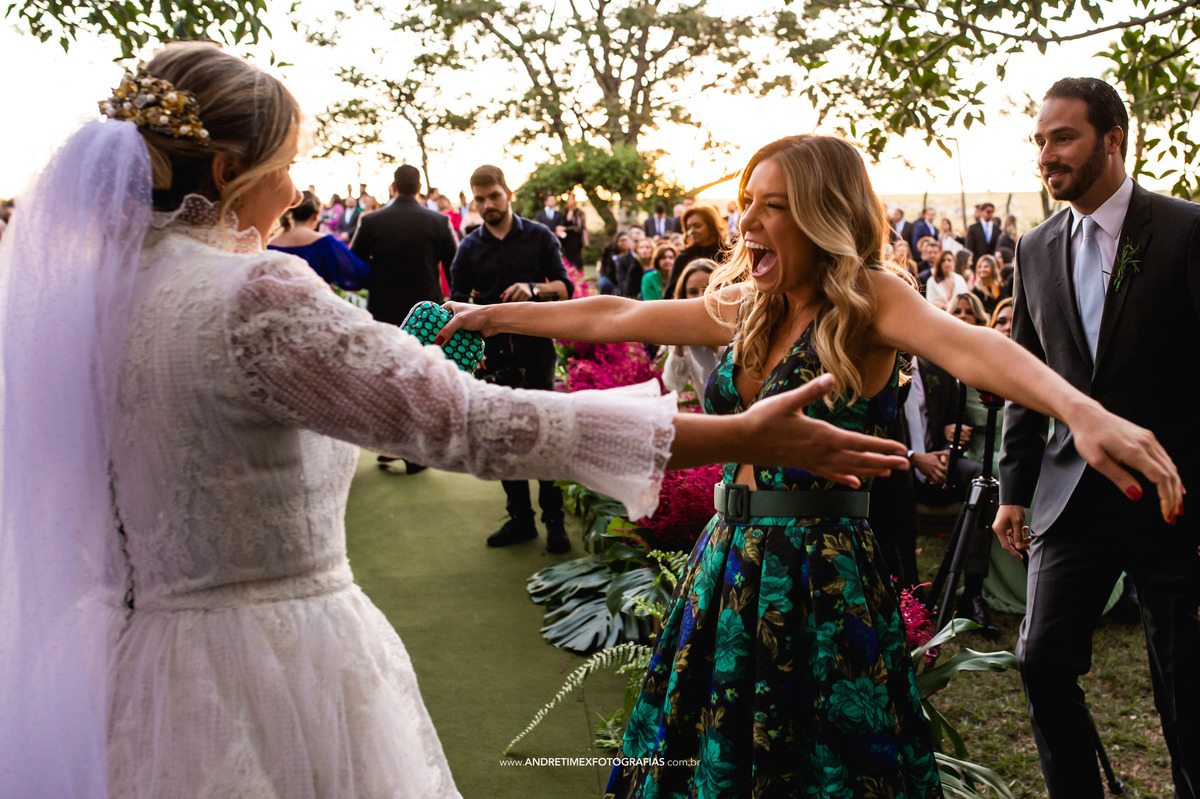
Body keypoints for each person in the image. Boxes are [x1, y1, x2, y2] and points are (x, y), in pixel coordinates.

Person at [0, 46, 922, 798]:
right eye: (287, 167)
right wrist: (740, 435)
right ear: (232, 172)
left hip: (119, 672)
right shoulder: (254, 293)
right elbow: (474, 424)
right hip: (271, 663)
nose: (296, 192)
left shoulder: (76, 307)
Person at [438, 134, 1181, 798]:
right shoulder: (754, 302)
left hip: (818, 576)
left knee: (819, 767)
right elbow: (618, 314)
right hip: (727, 564)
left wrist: (1081, 411)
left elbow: (975, 347)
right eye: (746, 204)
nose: (748, 223)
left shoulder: (867, 298)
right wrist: (484, 315)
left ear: (822, 213)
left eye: (773, 207)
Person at [993, 76, 1199, 798]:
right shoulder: (1034, 247)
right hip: (1069, 495)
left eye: (1063, 137)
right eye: (1040, 141)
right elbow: (1025, 374)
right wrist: (1014, 489)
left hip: (1169, 495)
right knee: (1041, 660)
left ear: (1113, 139)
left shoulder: (1184, 229)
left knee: (1185, 686)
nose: (1046, 154)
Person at [448, 164, 576, 553]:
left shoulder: (539, 236)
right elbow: (454, 304)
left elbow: (566, 288)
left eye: (494, 196)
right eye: (480, 199)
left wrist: (533, 287)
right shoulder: (468, 247)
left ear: (508, 193)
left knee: (545, 432)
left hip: (536, 350)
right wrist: (471, 350)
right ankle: (520, 519)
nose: (487, 205)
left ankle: (555, 521)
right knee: (503, 437)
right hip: (492, 356)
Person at [351, 163, 459, 473]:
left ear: (394, 186)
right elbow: (454, 266)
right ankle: (414, 453)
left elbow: (356, 267)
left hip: (383, 310)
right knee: (420, 377)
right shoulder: (438, 221)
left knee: (388, 376)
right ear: (419, 186)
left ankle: (389, 445)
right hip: (426, 313)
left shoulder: (371, 221)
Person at [268, 190, 370, 291]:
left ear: (291, 213)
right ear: (316, 216)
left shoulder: (268, 244)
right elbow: (357, 275)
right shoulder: (326, 244)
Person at [663, 203, 726, 297]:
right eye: (688, 227)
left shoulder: (728, 255)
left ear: (711, 226)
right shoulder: (683, 258)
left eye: (697, 226)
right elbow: (670, 297)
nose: (691, 231)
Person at [560, 193, 587, 268]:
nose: (570, 201)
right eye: (569, 199)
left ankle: (578, 276)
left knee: (576, 258)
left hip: (575, 239)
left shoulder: (579, 212)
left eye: (572, 199)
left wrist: (566, 228)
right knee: (566, 258)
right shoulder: (564, 212)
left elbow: (579, 227)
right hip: (566, 239)